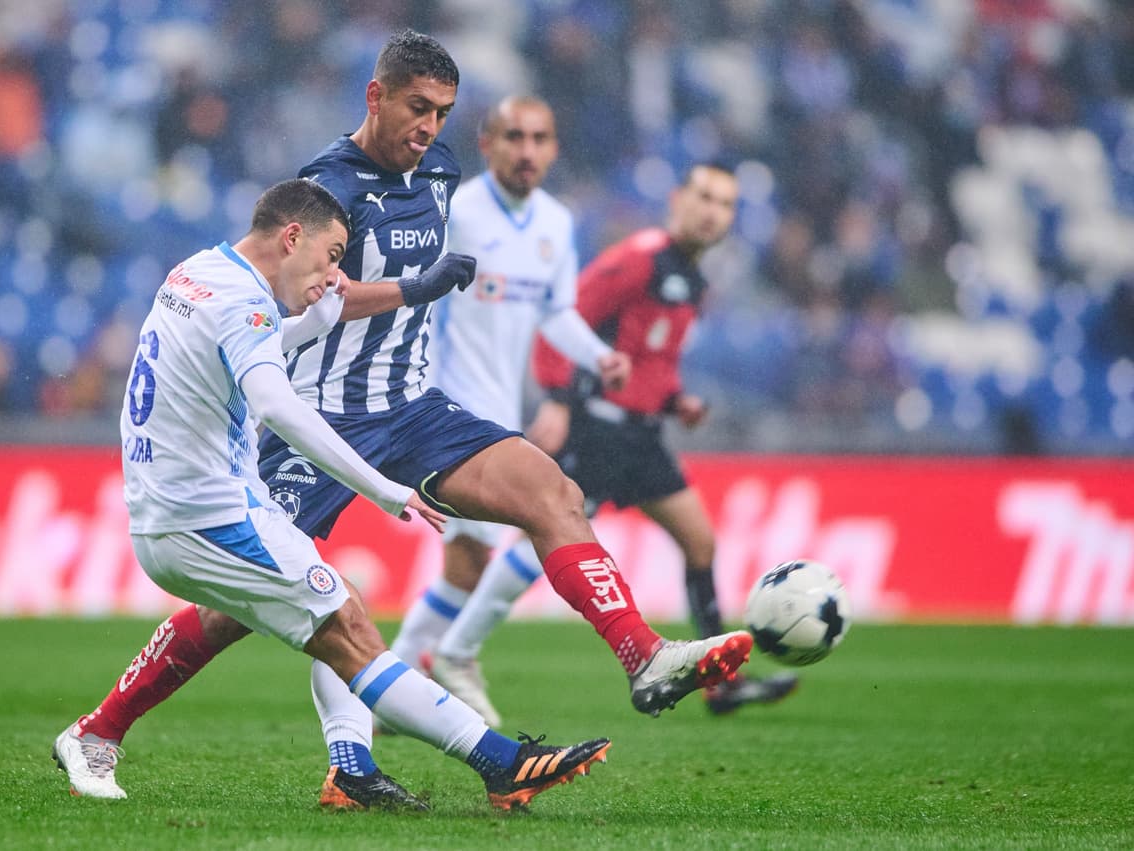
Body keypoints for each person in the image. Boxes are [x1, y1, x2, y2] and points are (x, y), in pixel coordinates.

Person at [57, 31, 751, 809]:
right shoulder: (326, 188)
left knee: (551, 493)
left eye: (442, 113)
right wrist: (419, 287)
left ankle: (643, 655)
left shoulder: (445, 169)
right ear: (376, 97)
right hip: (321, 413)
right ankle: (117, 726)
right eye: (417, 107)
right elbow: (319, 292)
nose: (428, 127)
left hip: (414, 404)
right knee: (245, 611)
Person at [52, 177, 612, 811]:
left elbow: (243, 345)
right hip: (207, 517)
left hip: (178, 508)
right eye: (333, 255)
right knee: (345, 625)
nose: (332, 276)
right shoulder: (247, 305)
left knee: (340, 608)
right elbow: (278, 405)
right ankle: (501, 763)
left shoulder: (199, 273)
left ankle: (338, 769)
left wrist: (313, 323)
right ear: (292, 237)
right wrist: (385, 490)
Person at [429, 163, 799, 723]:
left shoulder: (693, 277)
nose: (710, 210)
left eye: (723, 204)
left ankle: (723, 687)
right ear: (677, 199)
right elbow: (563, 318)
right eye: (702, 196)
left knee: (700, 543)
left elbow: (650, 359)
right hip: (599, 429)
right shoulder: (640, 259)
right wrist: (555, 396)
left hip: (644, 438)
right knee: (542, 541)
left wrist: (676, 402)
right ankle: (455, 650)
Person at [385, 94, 631, 728]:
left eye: (540, 138)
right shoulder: (456, 213)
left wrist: (598, 356)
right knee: (538, 519)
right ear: (487, 144)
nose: (527, 151)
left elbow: (557, 312)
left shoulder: (554, 222)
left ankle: (396, 681)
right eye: (514, 137)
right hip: (444, 412)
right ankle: (439, 662)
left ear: (553, 148)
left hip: (499, 412)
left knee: (469, 562)